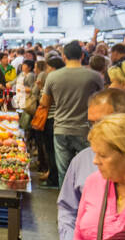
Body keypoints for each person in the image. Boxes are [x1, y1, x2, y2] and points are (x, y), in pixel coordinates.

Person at [58, 87, 125, 240]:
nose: (94, 131)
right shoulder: (83, 161)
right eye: (92, 123)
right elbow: (68, 208)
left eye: (103, 122)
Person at [40, 40, 105, 187]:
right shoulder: (94, 76)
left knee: (65, 172)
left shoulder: (53, 77)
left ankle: (66, 205)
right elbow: (102, 100)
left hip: (61, 128)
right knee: (88, 170)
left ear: (64, 57)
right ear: (82, 55)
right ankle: (86, 203)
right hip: (85, 129)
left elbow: (44, 103)